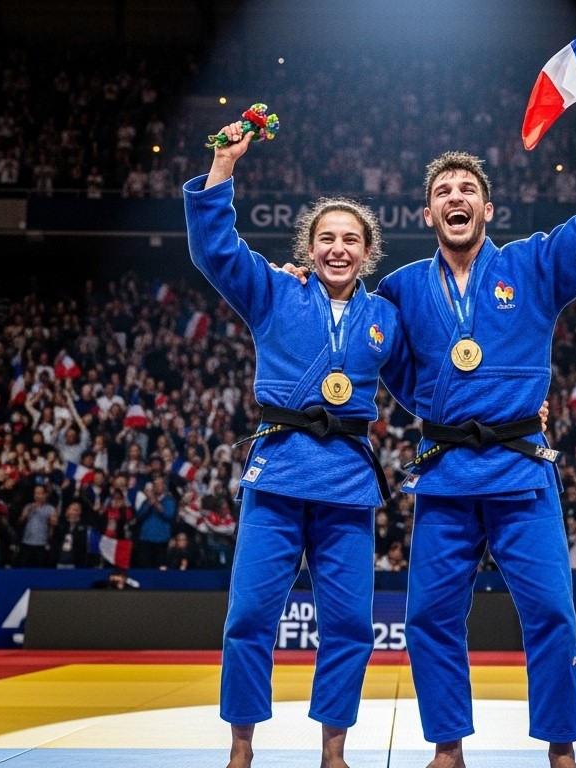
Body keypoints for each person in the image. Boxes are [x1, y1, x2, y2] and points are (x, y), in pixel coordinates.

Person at [371, 89, 576, 768]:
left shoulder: (530, 264)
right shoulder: (404, 288)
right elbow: (374, 352)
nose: (456, 196)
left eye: (467, 187)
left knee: (552, 613)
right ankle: (447, 746)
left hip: (523, 470)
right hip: (443, 475)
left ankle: (560, 747)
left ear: (487, 209)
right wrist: (441, 406)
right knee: (429, 619)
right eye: (443, 190)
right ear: (430, 212)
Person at [183, 113, 410, 768]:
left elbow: (431, 386)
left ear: (368, 253)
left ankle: (333, 752)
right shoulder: (277, 291)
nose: (338, 248)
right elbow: (216, 251)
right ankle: (242, 748)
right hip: (279, 474)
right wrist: (224, 165)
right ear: (310, 248)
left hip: (346, 483)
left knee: (348, 627)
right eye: (326, 238)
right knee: (250, 618)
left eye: (350, 240)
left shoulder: (386, 318)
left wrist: (519, 406)